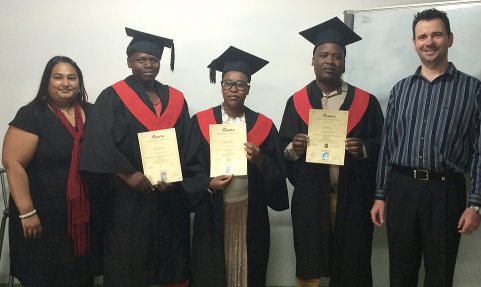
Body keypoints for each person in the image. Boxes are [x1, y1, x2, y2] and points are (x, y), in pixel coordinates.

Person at [370, 8, 481, 287]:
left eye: (436, 34)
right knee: (400, 272)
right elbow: (388, 147)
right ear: (414, 42)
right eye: (422, 36)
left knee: (440, 274)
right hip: (402, 190)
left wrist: (476, 204)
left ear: (450, 38)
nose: (429, 42)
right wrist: (380, 195)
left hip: (445, 192)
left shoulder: (473, 89)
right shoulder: (400, 90)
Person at [80, 28, 191, 287]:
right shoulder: (113, 96)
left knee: (169, 253)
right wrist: (128, 174)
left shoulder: (176, 98)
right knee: (129, 254)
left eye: (153, 60)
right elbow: (99, 142)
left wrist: (174, 176)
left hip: (168, 194)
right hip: (128, 195)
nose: (148, 65)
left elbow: (186, 143)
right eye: (141, 59)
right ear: (129, 61)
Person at [279, 17, 384, 287]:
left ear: (344, 63)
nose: (330, 60)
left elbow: (384, 145)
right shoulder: (297, 101)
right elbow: (282, 149)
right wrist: (294, 148)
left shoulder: (366, 102)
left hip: (354, 199)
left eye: (337, 56)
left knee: (352, 265)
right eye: (323, 54)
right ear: (312, 60)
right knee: (309, 265)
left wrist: (363, 148)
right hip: (311, 199)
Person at [182, 46, 289, 287]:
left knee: (249, 270)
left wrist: (260, 159)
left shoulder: (264, 125)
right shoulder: (200, 122)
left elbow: (277, 172)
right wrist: (207, 183)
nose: (233, 89)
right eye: (228, 83)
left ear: (248, 89)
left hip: (251, 213)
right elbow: (188, 167)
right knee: (212, 272)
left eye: (240, 84)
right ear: (220, 86)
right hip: (213, 213)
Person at [2, 56, 102, 286]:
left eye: (71, 77)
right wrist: (27, 213)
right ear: (47, 81)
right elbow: (13, 163)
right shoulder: (32, 115)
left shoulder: (93, 112)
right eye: (58, 77)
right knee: (45, 275)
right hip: (43, 216)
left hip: (82, 216)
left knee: (80, 275)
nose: (65, 83)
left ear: (79, 82)